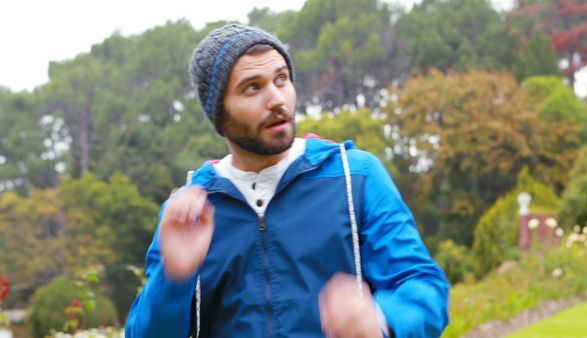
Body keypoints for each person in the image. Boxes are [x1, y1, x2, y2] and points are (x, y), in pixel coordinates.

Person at [125, 24, 449, 338]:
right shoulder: (188, 211)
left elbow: (424, 286)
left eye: (281, 79)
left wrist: (382, 320)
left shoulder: (357, 177)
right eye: (252, 87)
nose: (277, 99)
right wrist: (173, 279)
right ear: (219, 114)